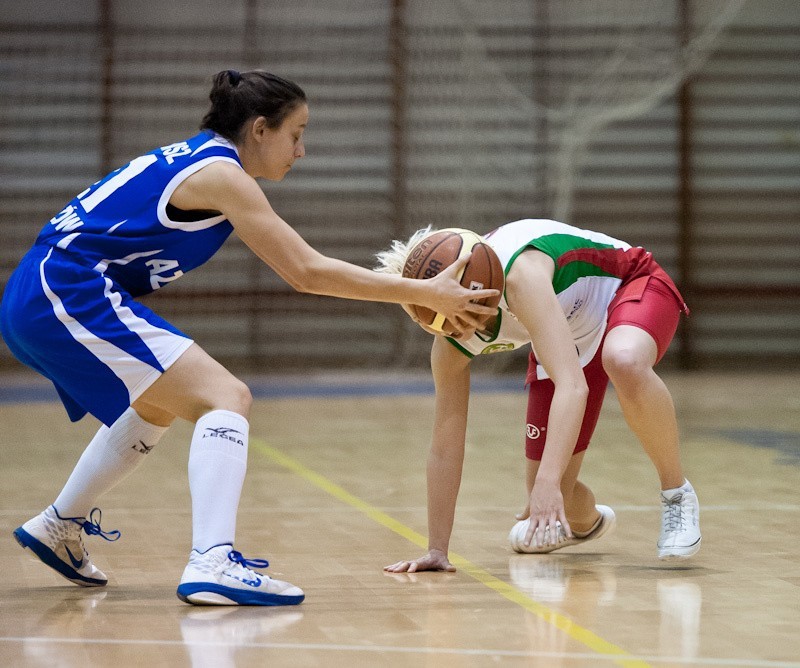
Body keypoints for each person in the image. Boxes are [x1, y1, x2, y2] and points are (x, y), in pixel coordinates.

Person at [0, 69, 499, 606]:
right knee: (226, 396)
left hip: (41, 293)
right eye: (296, 133)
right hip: (64, 290)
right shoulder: (222, 173)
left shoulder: (200, 160)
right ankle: (212, 559)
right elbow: (305, 271)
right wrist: (421, 291)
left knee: (158, 403)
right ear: (260, 129)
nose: (302, 150)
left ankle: (60, 525)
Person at [376, 218, 702, 574]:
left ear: (479, 287)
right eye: (444, 323)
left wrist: (549, 484)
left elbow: (573, 386)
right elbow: (444, 445)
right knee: (544, 489)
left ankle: (676, 493)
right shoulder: (450, 339)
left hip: (629, 286)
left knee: (622, 360)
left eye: (463, 318)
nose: (460, 331)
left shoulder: (522, 277)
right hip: (568, 331)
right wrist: (438, 549)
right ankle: (586, 523)